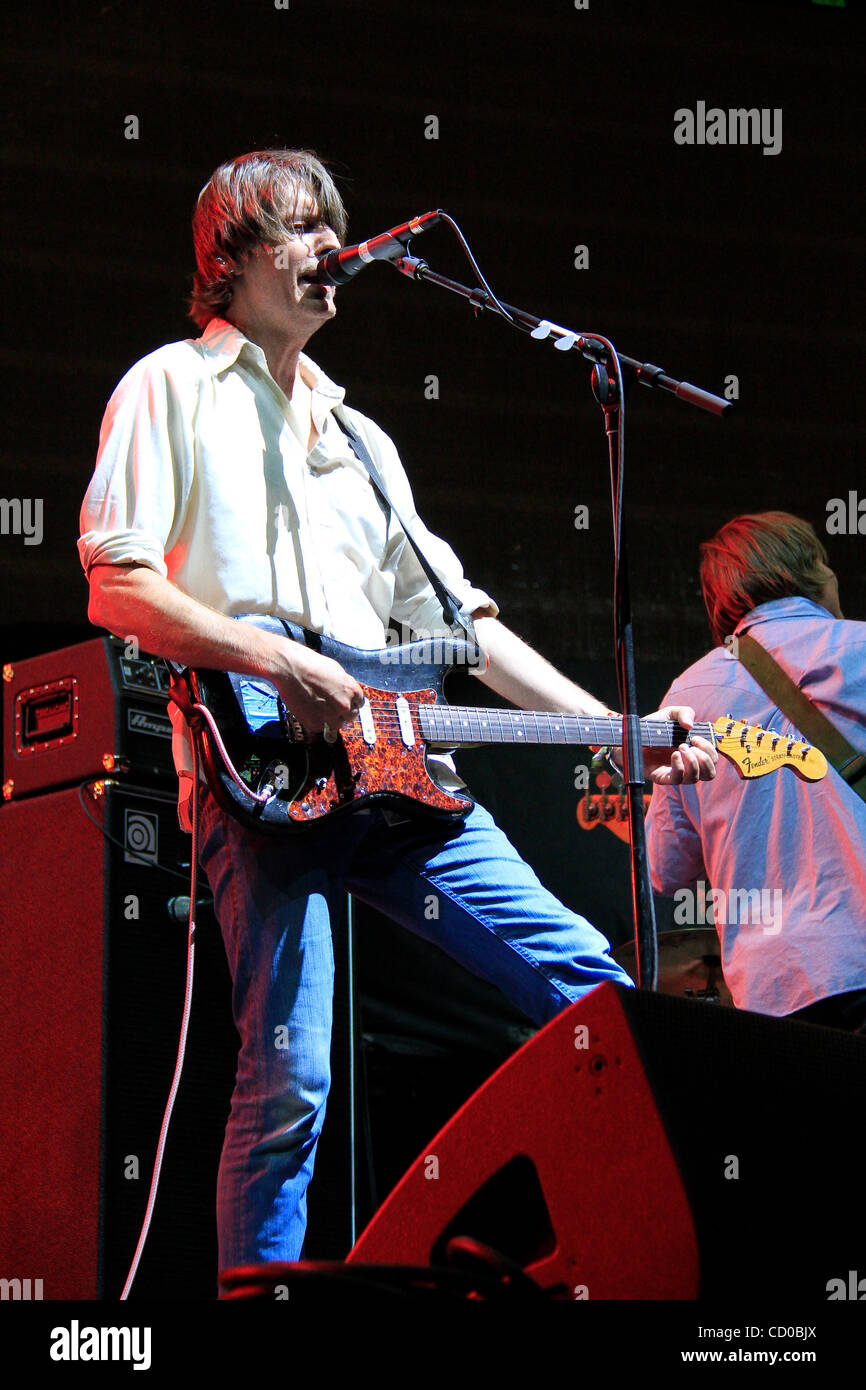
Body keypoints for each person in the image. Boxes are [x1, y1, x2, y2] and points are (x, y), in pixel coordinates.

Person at [78, 148, 717, 1273]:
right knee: (289, 1079)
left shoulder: (361, 439)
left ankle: (595, 1258)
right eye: (299, 227)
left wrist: (611, 729)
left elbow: (466, 633)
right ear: (229, 257)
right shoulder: (168, 385)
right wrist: (270, 657)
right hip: (257, 766)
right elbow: (117, 582)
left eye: (337, 225)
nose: (333, 247)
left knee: (597, 989)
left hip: (395, 776)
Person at [646, 511, 866, 1032]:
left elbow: (666, 869)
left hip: (773, 992)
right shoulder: (859, 648)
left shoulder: (687, 695)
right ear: (810, 568)